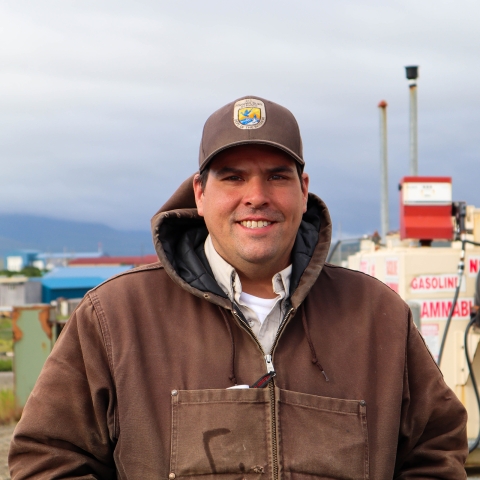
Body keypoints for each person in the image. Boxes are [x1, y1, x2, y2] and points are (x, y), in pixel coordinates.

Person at [9, 96, 468, 479]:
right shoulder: (115, 317)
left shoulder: (377, 317)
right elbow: (47, 458)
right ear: (200, 193)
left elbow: (437, 448)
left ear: (303, 190)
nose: (257, 195)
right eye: (232, 176)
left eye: (276, 175)